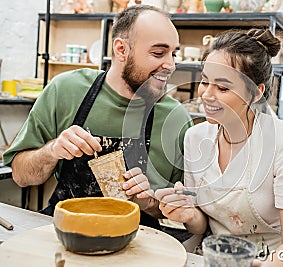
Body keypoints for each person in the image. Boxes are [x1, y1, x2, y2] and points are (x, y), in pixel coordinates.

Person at [3, 5, 192, 229]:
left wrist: (148, 202)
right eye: (159, 53)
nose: (171, 65)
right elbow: (21, 176)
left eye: (174, 54)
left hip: (137, 244)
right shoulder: (65, 90)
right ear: (121, 50)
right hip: (66, 233)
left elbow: (188, 213)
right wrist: (52, 150)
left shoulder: (176, 119)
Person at [155, 28, 283, 266]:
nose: (207, 95)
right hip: (210, 256)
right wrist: (187, 213)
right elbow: (201, 224)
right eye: (205, 82)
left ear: (256, 92)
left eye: (223, 88)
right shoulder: (196, 137)